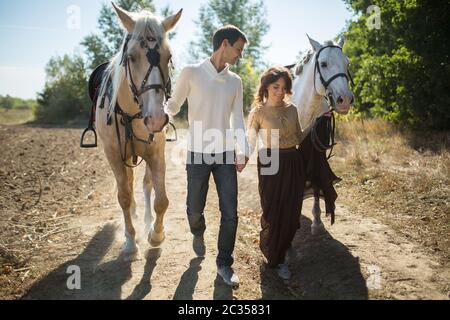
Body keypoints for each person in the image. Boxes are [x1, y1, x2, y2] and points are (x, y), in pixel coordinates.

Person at [164, 25, 250, 287]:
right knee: (193, 210)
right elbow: (174, 105)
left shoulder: (235, 81)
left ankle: (224, 263)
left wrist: (243, 149)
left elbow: (237, 119)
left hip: (225, 154)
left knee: (230, 212)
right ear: (224, 44)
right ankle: (197, 230)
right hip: (198, 153)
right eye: (238, 50)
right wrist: (161, 114)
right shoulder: (191, 73)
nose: (240, 56)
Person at [247, 66, 305, 280]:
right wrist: (241, 157)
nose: (280, 91)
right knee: (273, 211)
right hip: (270, 160)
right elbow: (250, 140)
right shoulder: (258, 112)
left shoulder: (292, 109)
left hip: (293, 161)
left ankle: (281, 254)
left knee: (291, 212)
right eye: (275, 87)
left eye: (284, 87)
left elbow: (299, 136)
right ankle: (275, 257)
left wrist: (319, 123)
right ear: (266, 87)